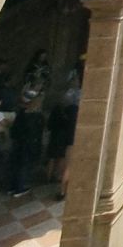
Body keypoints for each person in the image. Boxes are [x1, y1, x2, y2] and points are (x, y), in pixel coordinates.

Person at [10, 63, 48, 196]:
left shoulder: (22, 115)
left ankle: (13, 186)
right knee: (23, 164)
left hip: (20, 141)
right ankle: (19, 187)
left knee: (17, 162)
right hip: (27, 142)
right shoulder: (32, 116)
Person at [45, 66, 81, 199]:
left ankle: (54, 181)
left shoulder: (62, 112)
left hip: (62, 138)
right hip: (71, 141)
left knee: (62, 162)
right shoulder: (75, 116)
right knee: (69, 166)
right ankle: (63, 190)